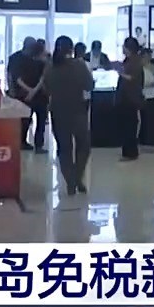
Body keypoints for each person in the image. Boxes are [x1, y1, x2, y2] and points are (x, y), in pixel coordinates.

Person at [42, 36, 95, 195]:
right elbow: (89, 85)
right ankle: (78, 177)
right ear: (71, 49)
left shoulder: (50, 67)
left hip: (58, 111)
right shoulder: (79, 65)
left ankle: (70, 182)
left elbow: (46, 89)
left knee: (64, 149)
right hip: (78, 110)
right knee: (83, 146)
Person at [8, 37, 49, 152]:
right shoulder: (15, 58)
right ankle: (22, 142)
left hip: (38, 93)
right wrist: (29, 90)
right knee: (25, 120)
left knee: (41, 120)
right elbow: (15, 77)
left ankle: (39, 144)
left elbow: (43, 76)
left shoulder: (40, 57)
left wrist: (33, 90)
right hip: (22, 94)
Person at [116, 37, 145, 161]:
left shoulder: (135, 61)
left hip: (130, 98)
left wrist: (120, 72)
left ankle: (131, 153)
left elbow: (132, 78)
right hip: (125, 97)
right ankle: (127, 151)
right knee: (126, 125)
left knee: (130, 125)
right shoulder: (129, 60)